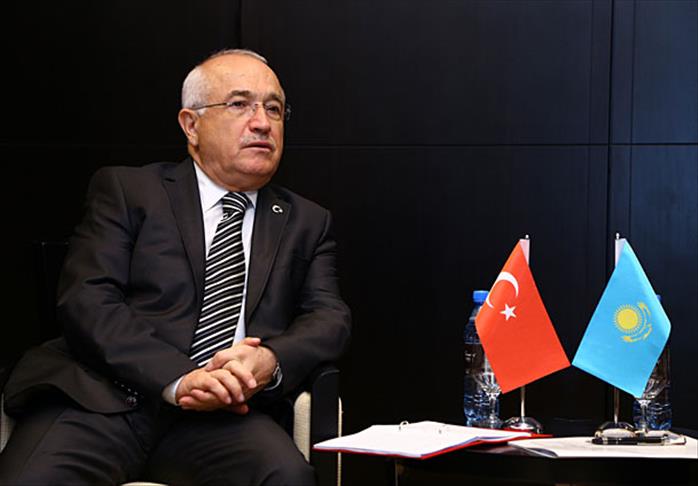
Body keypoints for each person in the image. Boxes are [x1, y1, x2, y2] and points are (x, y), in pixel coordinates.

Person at [0, 49, 351, 485]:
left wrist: (270, 359)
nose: (262, 122)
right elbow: (87, 301)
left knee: (288, 477)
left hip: (224, 419)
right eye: (239, 104)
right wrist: (180, 378)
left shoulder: (307, 221)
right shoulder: (129, 191)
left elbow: (329, 318)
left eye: (274, 109)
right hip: (102, 402)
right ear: (191, 124)